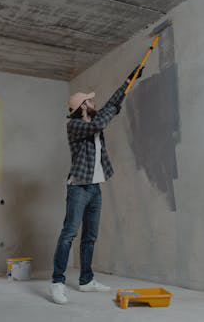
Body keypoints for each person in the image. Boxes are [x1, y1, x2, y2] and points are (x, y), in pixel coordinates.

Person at [49, 67, 144, 304]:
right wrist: (112, 108)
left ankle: (86, 281)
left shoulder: (94, 117)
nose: (94, 102)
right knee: (69, 233)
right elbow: (98, 125)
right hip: (78, 187)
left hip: (94, 188)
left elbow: (111, 103)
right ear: (83, 106)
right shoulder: (75, 126)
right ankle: (57, 282)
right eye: (90, 101)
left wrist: (128, 79)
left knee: (90, 236)